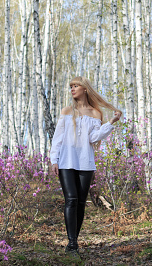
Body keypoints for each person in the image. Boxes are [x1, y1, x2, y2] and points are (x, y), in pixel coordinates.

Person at [50, 76, 122, 256]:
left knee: (81, 203)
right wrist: (54, 160)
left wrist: (111, 123)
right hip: (66, 161)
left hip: (85, 162)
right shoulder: (67, 111)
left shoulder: (95, 113)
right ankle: (72, 243)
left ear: (85, 89)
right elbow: (57, 138)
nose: (72, 89)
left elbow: (93, 138)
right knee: (71, 199)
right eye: (71, 86)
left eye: (76, 86)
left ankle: (74, 240)